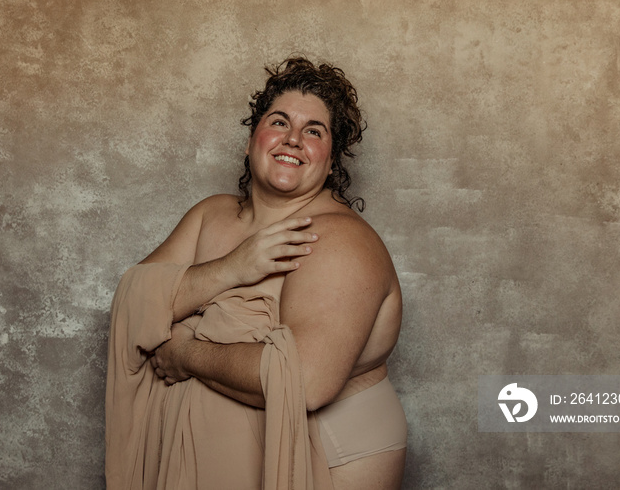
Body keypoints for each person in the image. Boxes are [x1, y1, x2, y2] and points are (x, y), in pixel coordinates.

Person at [106, 57, 406, 490]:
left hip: (332, 456)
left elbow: (304, 381)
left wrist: (186, 353)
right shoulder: (211, 215)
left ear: (331, 157)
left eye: (314, 131)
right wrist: (234, 267)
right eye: (279, 121)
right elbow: (134, 302)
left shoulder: (342, 241)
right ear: (252, 140)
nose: (293, 139)